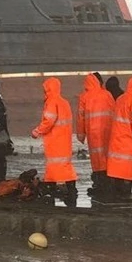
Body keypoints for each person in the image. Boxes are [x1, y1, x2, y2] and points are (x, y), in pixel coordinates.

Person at [31, 77, 78, 207]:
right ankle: (71, 190)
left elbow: (49, 121)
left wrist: (37, 131)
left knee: (53, 166)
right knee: (65, 165)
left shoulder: (51, 102)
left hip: (54, 140)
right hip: (65, 139)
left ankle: (49, 190)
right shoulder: (64, 102)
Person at [106, 76, 132, 203]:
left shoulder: (121, 98)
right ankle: (126, 194)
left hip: (117, 137)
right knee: (128, 168)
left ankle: (117, 192)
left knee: (118, 166)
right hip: (128, 138)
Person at [76, 73, 115, 201]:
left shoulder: (84, 97)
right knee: (108, 158)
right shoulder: (107, 94)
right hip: (108, 131)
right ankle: (109, 186)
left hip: (93, 133)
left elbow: (80, 117)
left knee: (97, 160)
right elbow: (115, 112)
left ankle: (100, 186)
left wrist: (81, 135)